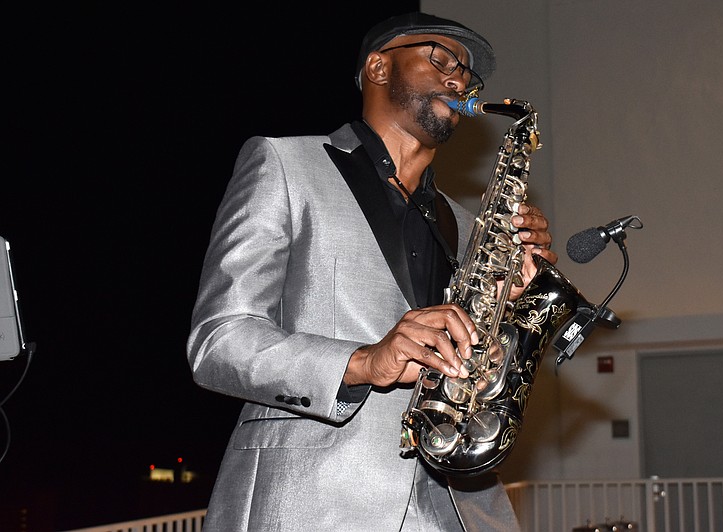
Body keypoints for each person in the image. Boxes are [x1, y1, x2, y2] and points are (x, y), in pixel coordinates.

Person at [187, 11, 558, 532]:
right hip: (310, 500)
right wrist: (363, 362)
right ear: (379, 67)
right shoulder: (284, 164)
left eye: (468, 75)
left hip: (455, 506)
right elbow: (218, 341)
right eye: (440, 59)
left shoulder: (471, 225)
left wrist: (508, 308)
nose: (459, 79)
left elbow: (480, 374)